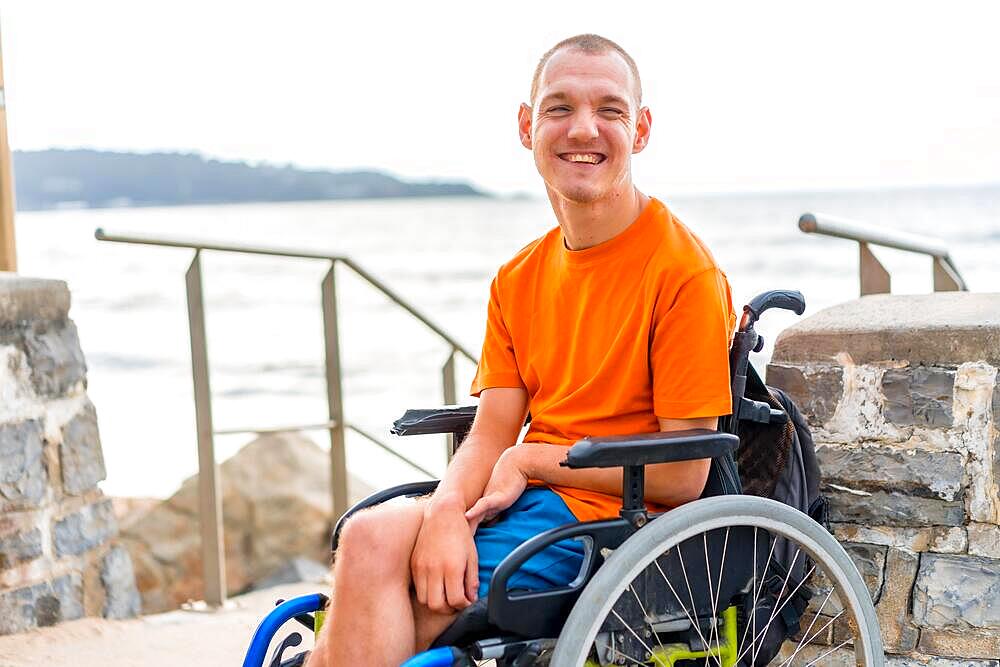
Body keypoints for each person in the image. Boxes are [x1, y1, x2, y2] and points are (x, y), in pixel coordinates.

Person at [308, 33, 736, 666]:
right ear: (526, 125)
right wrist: (448, 513)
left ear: (641, 129)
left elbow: (684, 476)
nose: (583, 129)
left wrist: (534, 460)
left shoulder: (683, 274)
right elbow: (491, 432)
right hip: (524, 500)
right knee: (369, 537)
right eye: (559, 107)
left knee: (421, 596)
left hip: (616, 524)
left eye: (610, 110)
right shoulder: (518, 278)